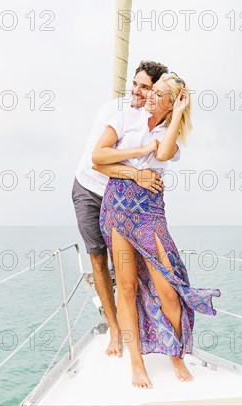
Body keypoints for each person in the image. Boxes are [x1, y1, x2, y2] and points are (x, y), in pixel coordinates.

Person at [92, 72, 221, 388]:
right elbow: (98, 159)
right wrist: (135, 171)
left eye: (158, 92)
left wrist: (177, 113)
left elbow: (162, 154)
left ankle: (175, 354)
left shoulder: (169, 133)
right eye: (150, 89)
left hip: (150, 213)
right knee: (128, 287)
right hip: (118, 206)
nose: (149, 94)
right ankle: (137, 363)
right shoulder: (125, 118)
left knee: (168, 291)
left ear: (171, 101)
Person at [72, 60, 169, 357]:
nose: (138, 91)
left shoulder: (156, 124)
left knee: (131, 267)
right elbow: (98, 159)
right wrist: (136, 173)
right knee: (98, 259)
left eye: (146, 87)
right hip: (89, 189)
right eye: (136, 84)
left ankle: (143, 328)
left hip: (123, 199)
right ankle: (114, 329)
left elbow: (156, 163)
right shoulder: (115, 111)